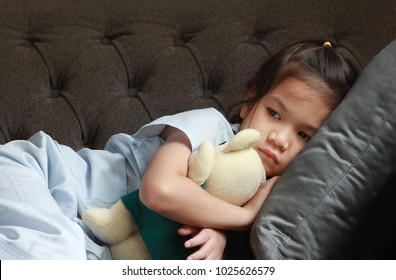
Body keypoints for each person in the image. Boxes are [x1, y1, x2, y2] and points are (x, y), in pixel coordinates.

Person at [0, 39, 360, 260]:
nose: (280, 139)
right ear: (250, 101)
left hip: (88, 244)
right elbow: (160, 190)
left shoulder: (270, 198)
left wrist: (221, 235)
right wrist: (243, 216)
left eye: (305, 136)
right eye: (274, 113)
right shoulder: (212, 127)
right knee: (55, 254)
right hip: (39, 176)